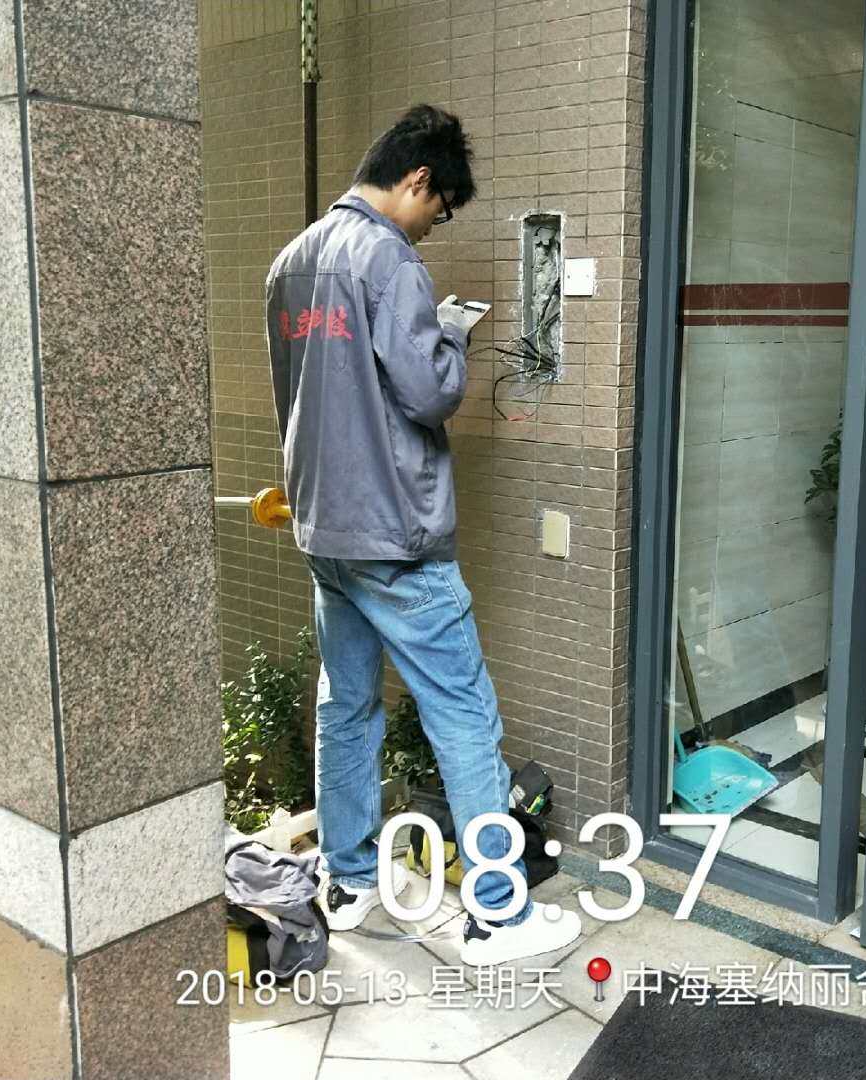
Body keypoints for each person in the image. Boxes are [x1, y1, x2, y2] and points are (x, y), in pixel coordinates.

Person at [264, 104, 581, 967]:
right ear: (417, 179)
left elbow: (302, 394)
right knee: (464, 714)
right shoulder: (387, 259)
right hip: (396, 535)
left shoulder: (290, 262)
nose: (431, 228)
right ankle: (496, 915)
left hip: (326, 528)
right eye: (437, 210)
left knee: (346, 705)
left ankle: (350, 881)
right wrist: (450, 333)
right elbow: (430, 392)